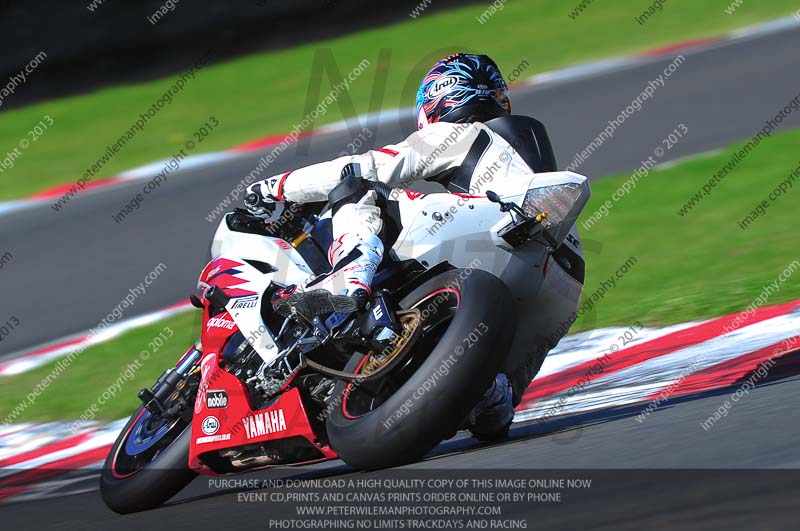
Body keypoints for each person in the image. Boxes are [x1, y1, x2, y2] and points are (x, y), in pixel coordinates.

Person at [245, 53, 551, 438]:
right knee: (506, 388)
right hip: (561, 264)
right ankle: (493, 397)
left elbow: (365, 167)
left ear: (439, 99)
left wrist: (274, 187)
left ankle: (350, 277)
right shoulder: (521, 148)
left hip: (496, 223)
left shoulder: (466, 133)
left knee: (360, 188)